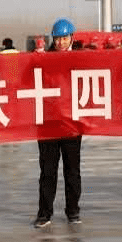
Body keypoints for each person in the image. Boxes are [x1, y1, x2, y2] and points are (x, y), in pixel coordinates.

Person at [34, 19, 83, 228]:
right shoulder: (44, 60)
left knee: (72, 171)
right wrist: (34, 61)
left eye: (65, 38)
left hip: (72, 124)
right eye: (58, 39)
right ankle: (44, 213)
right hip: (48, 124)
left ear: (72, 38)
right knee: (48, 171)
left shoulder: (81, 60)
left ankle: (73, 211)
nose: (61, 43)